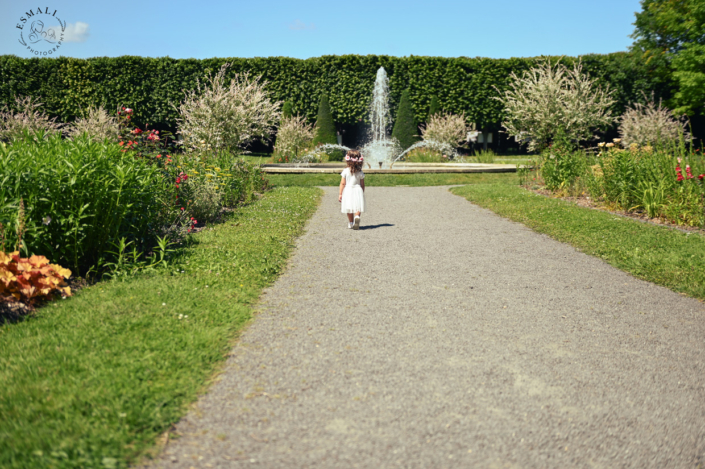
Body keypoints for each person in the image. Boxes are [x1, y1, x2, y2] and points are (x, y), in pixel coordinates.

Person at [338, 150, 365, 230]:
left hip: (348, 190)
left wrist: (340, 194)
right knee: (358, 206)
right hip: (358, 189)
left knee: (349, 207)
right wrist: (362, 192)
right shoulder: (360, 172)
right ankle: (357, 217)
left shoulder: (345, 171)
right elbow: (362, 184)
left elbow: (342, 183)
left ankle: (351, 223)